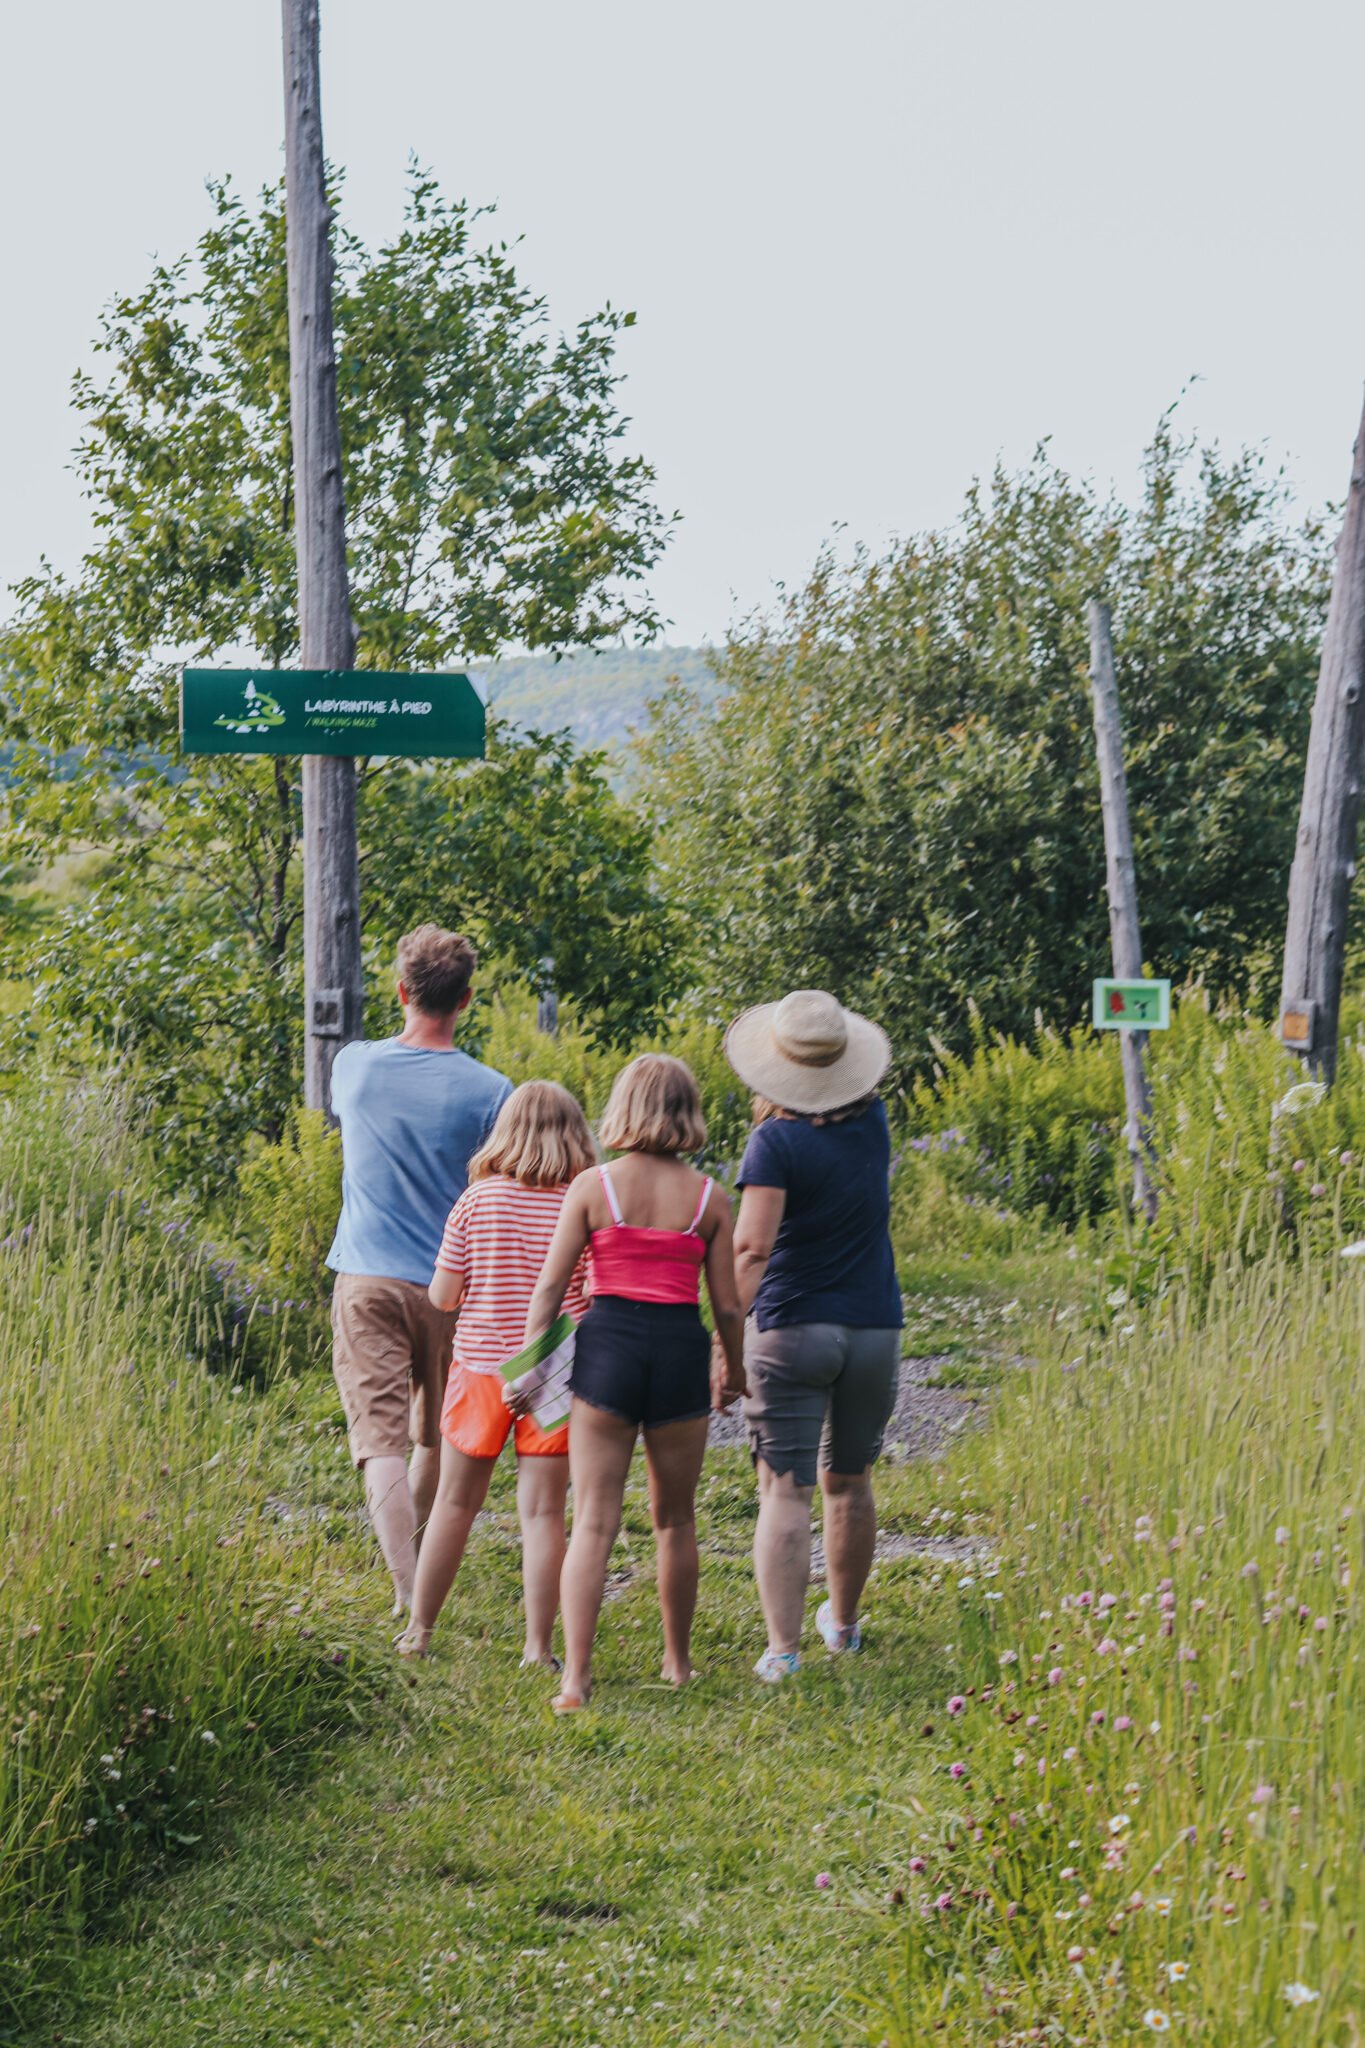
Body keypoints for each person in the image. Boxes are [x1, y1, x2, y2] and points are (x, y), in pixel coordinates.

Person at [519, 1055, 746, 1711]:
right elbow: (727, 1306)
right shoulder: (709, 1198)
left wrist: (532, 1367)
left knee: (591, 1521)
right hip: (677, 1348)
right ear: (687, 1113)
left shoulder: (593, 1186)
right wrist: (731, 1369)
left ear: (624, 1108)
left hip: (608, 1350)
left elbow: (550, 1289)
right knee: (674, 1519)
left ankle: (576, 1680)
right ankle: (676, 1664)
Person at [326, 925, 511, 1616]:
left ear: (400, 991)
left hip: (367, 1279)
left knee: (379, 1438)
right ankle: (423, 1571)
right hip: (453, 1284)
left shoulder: (357, 1067)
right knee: (435, 1432)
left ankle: (407, 1590)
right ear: (465, 999)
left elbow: (342, 1115)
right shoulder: (494, 1091)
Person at [722, 988, 903, 1682]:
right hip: (872, 1328)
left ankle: (782, 1649)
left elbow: (750, 1252)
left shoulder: (773, 1142)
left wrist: (722, 1339)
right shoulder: (876, 1122)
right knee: (850, 1483)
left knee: (785, 1488)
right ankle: (845, 1627)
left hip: (793, 1328)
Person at [396, 1082, 596, 1665]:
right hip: (555, 1365)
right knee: (542, 1513)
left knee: (455, 1504)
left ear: (505, 1131)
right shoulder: (579, 1202)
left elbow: (443, 1295)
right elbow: (586, 1293)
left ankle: (419, 1632)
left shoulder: (477, 1201)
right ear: (575, 1135)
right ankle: (537, 1648)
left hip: (481, 1367)